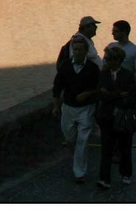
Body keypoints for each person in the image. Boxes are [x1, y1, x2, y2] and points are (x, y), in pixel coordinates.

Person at [52, 33, 101, 184]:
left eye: (80, 49)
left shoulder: (93, 68)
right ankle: (77, 161)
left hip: (86, 109)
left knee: (83, 140)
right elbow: (57, 87)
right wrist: (56, 106)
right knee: (70, 137)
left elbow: (98, 88)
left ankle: (79, 172)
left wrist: (87, 94)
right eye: (75, 49)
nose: (78, 52)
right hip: (68, 108)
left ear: (86, 51)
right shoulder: (65, 66)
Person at [95, 43, 136, 189]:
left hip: (122, 117)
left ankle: (126, 173)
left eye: (108, 59)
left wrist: (111, 95)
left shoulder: (127, 75)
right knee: (106, 148)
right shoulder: (103, 75)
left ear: (117, 60)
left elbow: (132, 98)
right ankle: (104, 178)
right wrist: (119, 94)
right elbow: (101, 94)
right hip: (106, 117)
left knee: (125, 147)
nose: (106, 61)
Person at [105, 20, 136, 92]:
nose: (112, 33)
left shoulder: (135, 51)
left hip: (125, 86)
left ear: (124, 32)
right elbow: (104, 67)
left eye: (116, 31)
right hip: (110, 85)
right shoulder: (110, 46)